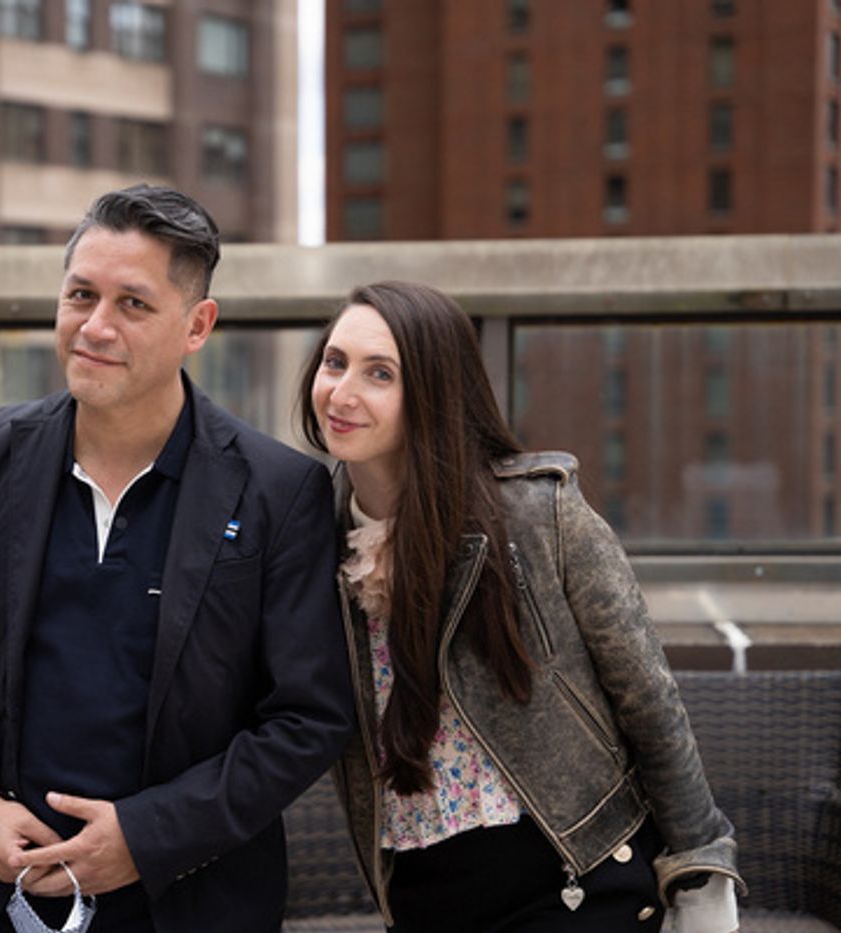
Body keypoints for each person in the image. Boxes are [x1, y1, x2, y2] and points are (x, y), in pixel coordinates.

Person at [0, 184, 354, 933]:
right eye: (80, 295)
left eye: (133, 304)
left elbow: (308, 717)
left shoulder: (280, 490)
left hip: (191, 903)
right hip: (0, 896)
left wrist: (148, 837)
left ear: (198, 325)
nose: (95, 326)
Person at [298, 281, 743, 933]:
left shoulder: (538, 514)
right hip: (420, 895)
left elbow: (649, 701)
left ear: (433, 393)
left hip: (575, 879)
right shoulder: (308, 536)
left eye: (380, 373)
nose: (342, 392)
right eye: (335, 362)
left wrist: (700, 871)